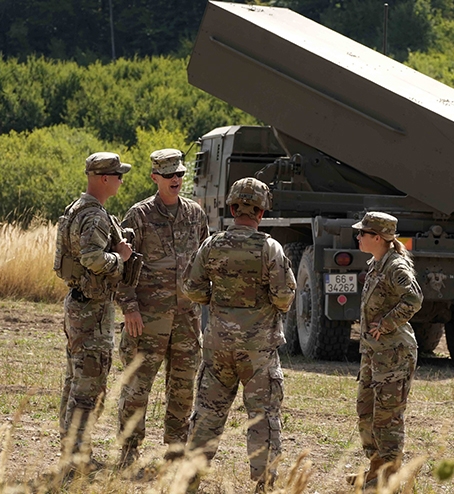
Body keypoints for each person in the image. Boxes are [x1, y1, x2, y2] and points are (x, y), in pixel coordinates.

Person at [182, 177, 296, 493]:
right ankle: (263, 485)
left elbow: (191, 288)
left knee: (207, 414)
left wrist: (216, 300)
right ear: (261, 212)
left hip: (217, 346)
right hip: (258, 351)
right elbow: (284, 297)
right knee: (262, 418)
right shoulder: (270, 249)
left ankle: (190, 479)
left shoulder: (211, 245)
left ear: (232, 208)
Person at [115, 148, 209, 465]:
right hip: (147, 319)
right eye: (169, 175)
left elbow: (203, 264)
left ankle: (176, 448)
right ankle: (129, 449)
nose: (176, 180)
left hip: (186, 319)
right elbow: (121, 268)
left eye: (180, 174)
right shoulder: (138, 216)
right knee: (138, 386)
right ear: (155, 177)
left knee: (182, 387)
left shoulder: (196, 214)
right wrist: (129, 307)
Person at [54, 152, 135, 472]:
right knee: (90, 384)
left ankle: (71, 449)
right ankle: (77, 458)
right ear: (103, 179)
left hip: (79, 304)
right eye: (118, 175)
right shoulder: (95, 216)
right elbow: (92, 259)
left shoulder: (77, 209)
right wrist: (121, 257)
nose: (121, 180)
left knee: (75, 379)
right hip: (92, 308)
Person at [351, 211, 423, 488]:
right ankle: (375, 470)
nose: (358, 236)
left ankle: (390, 479)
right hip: (374, 353)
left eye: (363, 233)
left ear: (377, 238)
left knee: (387, 418)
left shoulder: (396, 266)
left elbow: (414, 298)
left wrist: (387, 322)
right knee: (366, 413)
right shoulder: (376, 263)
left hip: (394, 354)